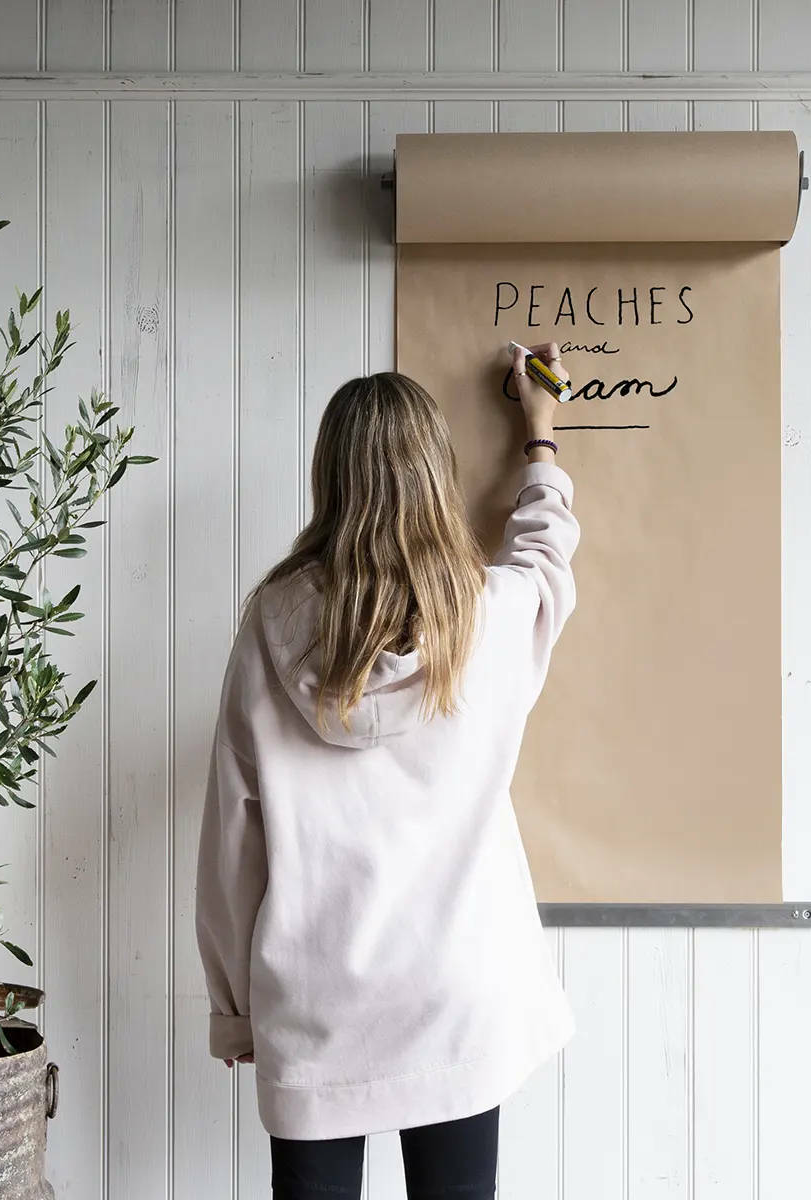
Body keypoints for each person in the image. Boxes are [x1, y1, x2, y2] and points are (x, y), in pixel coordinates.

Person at [194, 342, 581, 1199]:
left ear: (329, 478)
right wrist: (540, 433)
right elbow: (546, 560)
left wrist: (234, 1010)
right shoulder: (489, 618)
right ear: (438, 475)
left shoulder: (271, 623)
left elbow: (233, 830)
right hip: (458, 993)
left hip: (316, 1000)